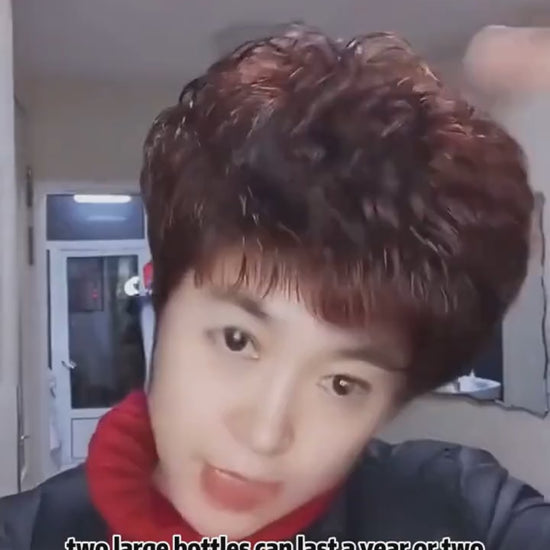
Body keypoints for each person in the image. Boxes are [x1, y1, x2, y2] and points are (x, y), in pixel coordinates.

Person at [1, 25, 549, 550]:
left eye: (342, 384)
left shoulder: (465, 517)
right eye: (237, 340)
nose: (264, 435)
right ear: (164, 309)